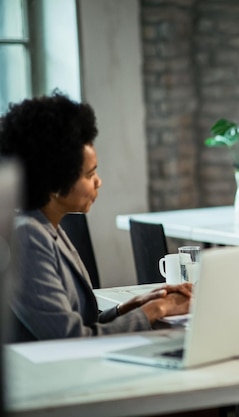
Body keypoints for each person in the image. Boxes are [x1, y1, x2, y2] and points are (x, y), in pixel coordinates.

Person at [0, 92, 192, 342]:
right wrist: (158, 310)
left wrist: (134, 305)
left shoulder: (48, 227)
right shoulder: (27, 236)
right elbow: (70, 338)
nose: (98, 182)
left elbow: (85, 322)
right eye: (90, 175)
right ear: (56, 183)